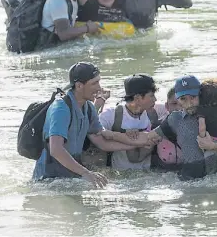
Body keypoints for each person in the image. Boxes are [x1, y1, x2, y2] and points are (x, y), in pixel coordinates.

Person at [32, 62, 160, 187]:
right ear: (79, 86)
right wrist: (86, 173)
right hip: (48, 180)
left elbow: (102, 143)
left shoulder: (88, 108)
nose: (99, 88)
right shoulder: (61, 108)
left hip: (71, 176)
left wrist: (137, 144)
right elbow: (56, 150)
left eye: (99, 82)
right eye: (94, 83)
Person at [102, 75, 217, 180]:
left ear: (200, 95)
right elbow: (149, 137)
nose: (189, 103)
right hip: (193, 179)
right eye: (183, 99)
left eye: (193, 97)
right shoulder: (175, 118)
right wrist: (114, 134)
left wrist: (214, 146)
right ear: (178, 100)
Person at [98, 74, 158, 170]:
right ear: (138, 98)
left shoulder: (154, 112)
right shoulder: (112, 114)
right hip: (119, 177)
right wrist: (122, 135)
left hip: (147, 175)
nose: (155, 99)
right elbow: (97, 131)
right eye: (151, 95)